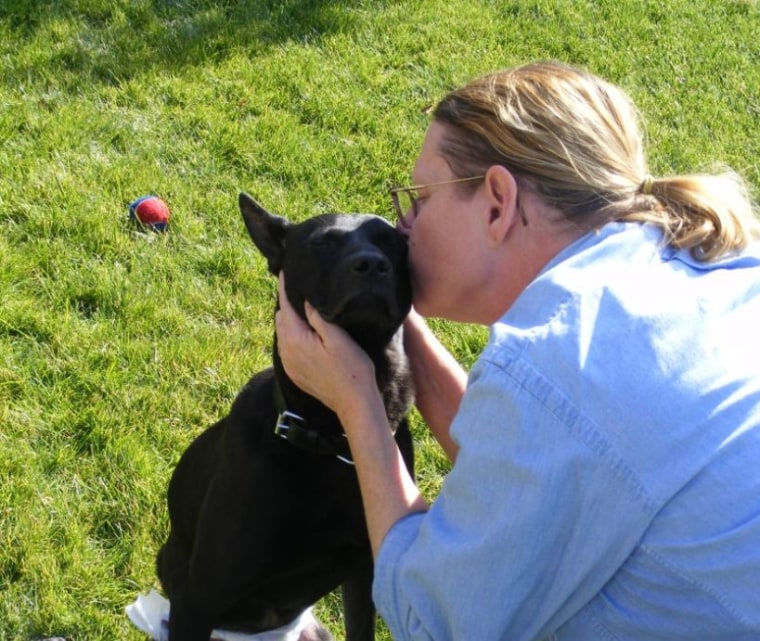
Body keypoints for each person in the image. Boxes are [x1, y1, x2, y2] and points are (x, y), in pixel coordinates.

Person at [274, 61, 760, 640]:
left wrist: (358, 401)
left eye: (421, 198)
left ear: (498, 203)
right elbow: (544, 467)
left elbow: (432, 621)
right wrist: (401, 329)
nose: (405, 226)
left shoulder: (555, 360)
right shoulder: (696, 266)